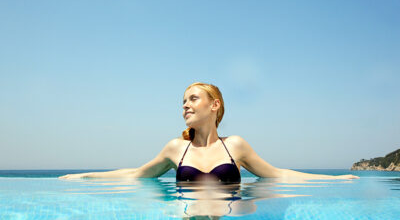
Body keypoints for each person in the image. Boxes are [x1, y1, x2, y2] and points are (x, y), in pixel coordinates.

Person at [59, 82, 359, 181]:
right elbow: (136, 174)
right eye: (183, 102)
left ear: (214, 106)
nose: (185, 107)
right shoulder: (176, 148)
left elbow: (278, 174)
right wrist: (85, 176)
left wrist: (334, 178)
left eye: (193, 99)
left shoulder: (236, 146)